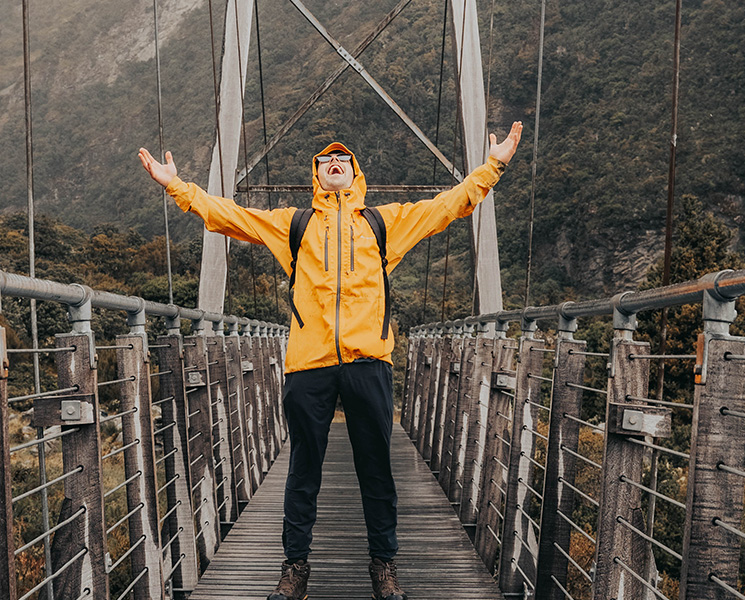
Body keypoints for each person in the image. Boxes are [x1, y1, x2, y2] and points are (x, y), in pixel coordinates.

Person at [138, 121, 522, 600]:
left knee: (377, 471)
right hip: (309, 364)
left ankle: (384, 567)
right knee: (303, 470)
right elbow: (229, 216)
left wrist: (493, 167)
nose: (334, 163)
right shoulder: (294, 225)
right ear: (316, 175)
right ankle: (295, 569)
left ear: (355, 173)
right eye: (325, 160)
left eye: (342, 159)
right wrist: (176, 186)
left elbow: (448, 206)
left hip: (368, 362)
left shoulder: (383, 223)